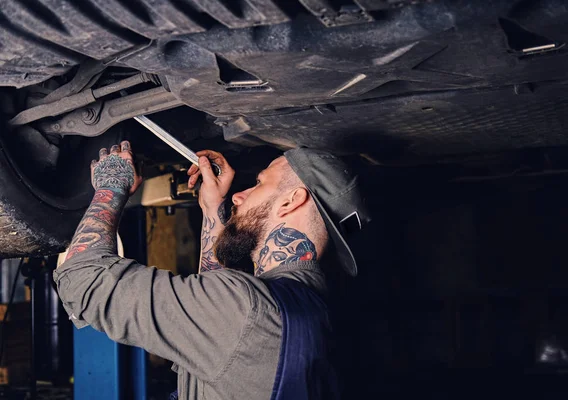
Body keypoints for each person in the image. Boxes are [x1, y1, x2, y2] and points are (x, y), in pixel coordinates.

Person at [54, 141, 370, 399]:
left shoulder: (249, 310)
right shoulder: (308, 304)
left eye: (260, 183)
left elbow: (83, 278)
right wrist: (211, 209)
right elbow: (218, 314)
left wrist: (111, 186)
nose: (239, 195)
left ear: (291, 201)